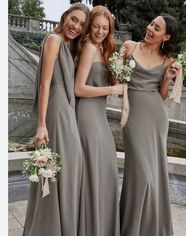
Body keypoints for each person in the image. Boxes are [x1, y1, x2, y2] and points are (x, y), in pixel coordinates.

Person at [22, 3, 90, 236]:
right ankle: (48, 228)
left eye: (81, 24)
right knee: (58, 169)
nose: (76, 26)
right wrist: (41, 124)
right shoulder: (54, 40)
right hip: (57, 112)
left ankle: (61, 226)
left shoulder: (69, 45)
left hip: (67, 111)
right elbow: (44, 82)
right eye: (74, 19)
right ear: (65, 17)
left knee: (65, 168)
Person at [119, 13, 181, 236]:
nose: (150, 28)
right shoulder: (128, 46)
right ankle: (130, 228)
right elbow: (116, 80)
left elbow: (162, 96)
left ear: (165, 37)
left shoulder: (167, 62)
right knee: (140, 174)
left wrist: (167, 79)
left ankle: (151, 228)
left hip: (156, 117)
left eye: (157, 28)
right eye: (151, 24)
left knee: (154, 174)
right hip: (133, 115)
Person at [74, 5, 123, 236]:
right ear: (89, 25)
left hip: (100, 117)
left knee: (106, 172)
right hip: (86, 116)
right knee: (94, 172)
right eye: (96, 26)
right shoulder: (88, 48)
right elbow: (79, 88)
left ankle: (101, 226)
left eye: (105, 28)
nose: (100, 31)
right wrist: (112, 90)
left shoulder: (106, 49)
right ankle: (89, 227)